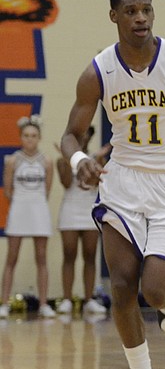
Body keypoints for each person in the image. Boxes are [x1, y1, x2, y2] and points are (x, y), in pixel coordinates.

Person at [60, 0, 165, 369]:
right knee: (121, 285)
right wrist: (80, 159)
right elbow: (70, 134)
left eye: (146, 10)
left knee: (154, 292)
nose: (140, 17)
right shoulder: (98, 71)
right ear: (114, 16)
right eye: (130, 11)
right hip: (122, 183)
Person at [0, 116, 54, 319]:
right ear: (20, 137)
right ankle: (4, 303)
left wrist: (34, 201)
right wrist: (22, 201)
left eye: (33, 136)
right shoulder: (13, 160)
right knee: (11, 258)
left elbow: (47, 189)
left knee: (41, 258)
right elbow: (7, 189)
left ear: (39, 138)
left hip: (39, 209)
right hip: (18, 209)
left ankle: (43, 304)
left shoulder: (47, 161)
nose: (30, 139)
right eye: (26, 136)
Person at [54, 125, 110, 316]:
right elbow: (67, 182)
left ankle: (89, 300)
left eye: (87, 135)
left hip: (89, 209)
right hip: (70, 208)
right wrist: (67, 159)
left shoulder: (97, 158)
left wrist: (97, 160)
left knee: (90, 255)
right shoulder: (62, 160)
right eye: (80, 134)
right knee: (69, 254)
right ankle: (67, 299)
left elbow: (95, 183)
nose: (83, 138)